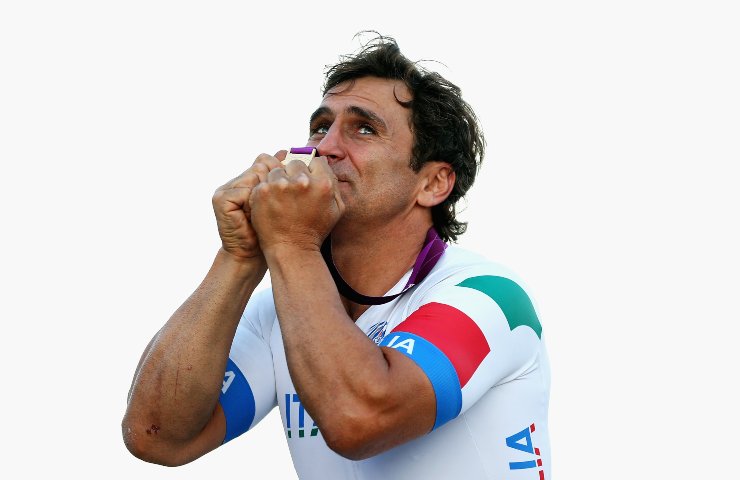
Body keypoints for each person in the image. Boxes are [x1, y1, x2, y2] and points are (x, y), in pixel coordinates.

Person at [122, 34, 551, 479]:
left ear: (433, 183)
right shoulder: (278, 310)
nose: (325, 147)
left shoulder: (491, 295)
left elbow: (358, 421)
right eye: (320, 126)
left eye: (364, 128)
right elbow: (156, 437)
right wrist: (240, 257)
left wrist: (291, 242)